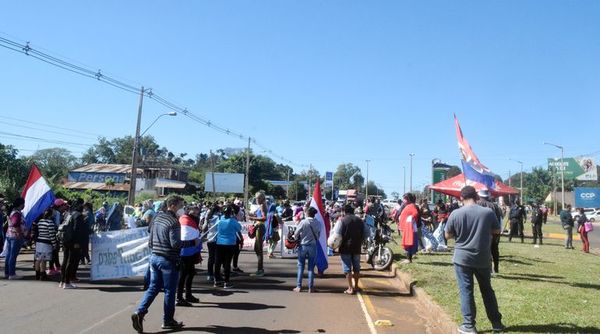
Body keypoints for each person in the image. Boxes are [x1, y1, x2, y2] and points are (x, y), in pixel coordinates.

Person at [445, 186, 504, 334]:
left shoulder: (455, 213)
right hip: (483, 257)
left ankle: (469, 325)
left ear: (461, 198)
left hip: (462, 258)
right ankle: (496, 323)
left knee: (466, 290)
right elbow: (497, 230)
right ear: (476, 196)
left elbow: (447, 235)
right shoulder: (488, 213)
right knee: (487, 290)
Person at [132, 195, 185, 333]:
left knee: (153, 288)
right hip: (168, 260)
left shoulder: (156, 218)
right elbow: (175, 244)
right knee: (169, 291)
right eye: (180, 206)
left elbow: (150, 240)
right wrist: (190, 242)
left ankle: (140, 311)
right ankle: (168, 320)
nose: (182, 209)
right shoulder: (174, 222)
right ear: (172, 205)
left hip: (154, 257)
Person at [176, 204, 202, 306]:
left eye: (197, 211)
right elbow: (183, 239)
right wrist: (193, 242)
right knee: (182, 275)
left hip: (191, 251)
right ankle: (179, 297)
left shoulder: (191, 220)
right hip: (184, 252)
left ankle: (188, 295)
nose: (196, 213)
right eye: (194, 211)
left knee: (190, 273)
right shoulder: (185, 220)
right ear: (188, 211)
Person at [338, 204, 366, 295]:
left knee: (347, 269)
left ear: (344, 211)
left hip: (345, 247)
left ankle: (350, 288)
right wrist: (361, 240)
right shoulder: (360, 221)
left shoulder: (342, 221)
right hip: (357, 247)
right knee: (357, 268)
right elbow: (367, 233)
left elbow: (336, 234)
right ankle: (356, 286)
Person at [59, 198, 87, 289]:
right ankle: (67, 282)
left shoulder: (69, 214)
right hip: (73, 241)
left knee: (65, 260)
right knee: (70, 261)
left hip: (66, 240)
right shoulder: (78, 216)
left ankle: (62, 281)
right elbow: (77, 231)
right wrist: (77, 242)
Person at [214, 204, 242, 289]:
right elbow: (239, 228)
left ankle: (217, 281)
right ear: (231, 212)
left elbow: (216, 228)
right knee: (227, 263)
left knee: (218, 262)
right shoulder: (233, 221)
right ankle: (226, 282)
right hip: (230, 244)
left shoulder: (219, 219)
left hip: (219, 243)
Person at [293, 207, 321, 293]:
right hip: (313, 246)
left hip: (303, 245)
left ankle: (299, 286)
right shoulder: (318, 223)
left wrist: (297, 238)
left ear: (307, 213)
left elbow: (296, 233)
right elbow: (318, 235)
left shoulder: (303, 222)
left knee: (301, 266)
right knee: (311, 267)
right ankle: (310, 287)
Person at [477, 189, 503, 274]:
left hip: (481, 232)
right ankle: (496, 267)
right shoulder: (495, 206)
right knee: (494, 250)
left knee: (484, 251)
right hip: (494, 232)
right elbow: (499, 219)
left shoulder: (477, 205)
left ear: (480, 196)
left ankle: (487, 269)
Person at [4, 197, 26, 280]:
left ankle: (7, 273)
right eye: (23, 203)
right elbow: (15, 223)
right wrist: (19, 233)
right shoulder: (16, 213)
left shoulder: (12, 211)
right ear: (21, 204)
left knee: (9, 255)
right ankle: (12, 274)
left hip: (10, 235)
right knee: (13, 255)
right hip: (15, 236)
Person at [32, 208, 57, 281]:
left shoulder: (40, 221)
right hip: (46, 242)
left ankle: (37, 274)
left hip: (39, 241)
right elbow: (52, 234)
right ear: (51, 214)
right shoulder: (50, 223)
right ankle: (43, 275)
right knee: (44, 259)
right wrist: (54, 244)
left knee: (38, 259)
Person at [248, 191, 268, 277]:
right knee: (257, 249)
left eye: (258, 198)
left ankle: (260, 270)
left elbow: (264, 218)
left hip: (260, 227)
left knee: (258, 249)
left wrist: (252, 217)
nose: (256, 200)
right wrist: (253, 215)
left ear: (262, 198)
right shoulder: (261, 205)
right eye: (256, 198)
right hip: (259, 227)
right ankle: (260, 269)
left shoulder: (263, 205)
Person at [397, 193, 419, 264]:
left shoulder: (412, 206)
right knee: (408, 242)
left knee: (409, 242)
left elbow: (415, 213)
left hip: (409, 228)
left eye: (405, 199)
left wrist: (410, 218)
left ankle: (408, 259)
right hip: (407, 228)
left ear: (408, 199)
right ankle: (408, 258)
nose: (403, 200)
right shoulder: (408, 205)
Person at [49, 198, 68, 275]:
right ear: (60, 206)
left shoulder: (53, 212)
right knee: (54, 251)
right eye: (63, 205)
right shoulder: (57, 213)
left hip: (51, 234)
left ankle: (56, 266)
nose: (65, 207)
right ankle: (51, 268)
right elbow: (57, 225)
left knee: (55, 251)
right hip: (54, 234)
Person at [202, 203, 220, 282]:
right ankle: (217, 275)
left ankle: (209, 274)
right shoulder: (218, 217)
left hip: (210, 239)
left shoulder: (208, 217)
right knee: (217, 258)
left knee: (211, 257)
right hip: (217, 239)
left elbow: (204, 228)